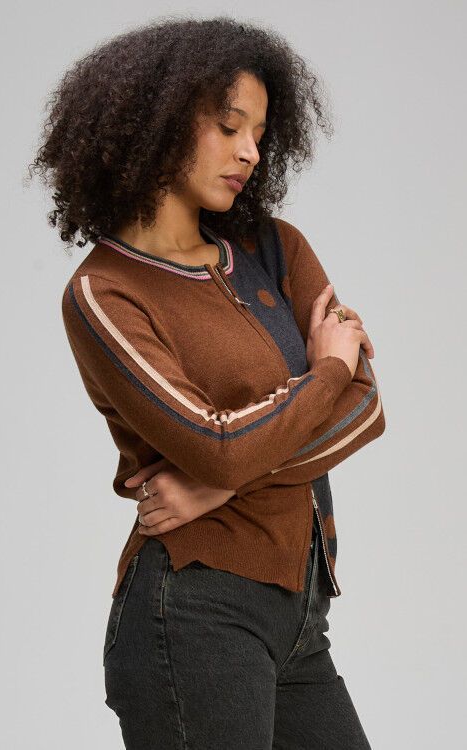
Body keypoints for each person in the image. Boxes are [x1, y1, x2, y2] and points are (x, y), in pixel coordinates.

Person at [28, 16, 385, 749]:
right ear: (157, 122)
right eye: (228, 126)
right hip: (194, 611)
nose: (250, 151)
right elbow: (219, 443)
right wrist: (325, 368)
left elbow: (365, 407)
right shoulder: (106, 293)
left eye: (259, 132)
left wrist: (222, 484)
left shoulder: (273, 249)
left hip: (300, 616)